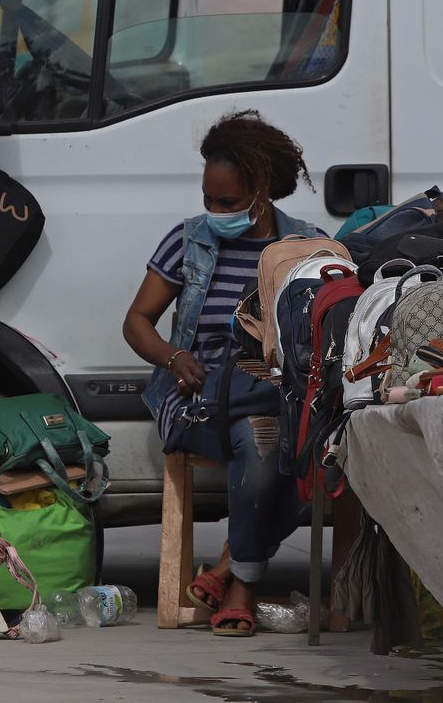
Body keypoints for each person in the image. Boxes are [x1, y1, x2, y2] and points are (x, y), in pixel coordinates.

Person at [122, 110, 321, 637]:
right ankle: (243, 588)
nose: (214, 212)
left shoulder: (307, 246)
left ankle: (231, 565)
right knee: (267, 440)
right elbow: (137, 322)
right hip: (198, 396)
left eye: (227, 203)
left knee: (324, 449)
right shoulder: (188, 241)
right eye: (208, 199)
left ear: (262, 190)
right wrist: (172, 357)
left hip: (279, 394)